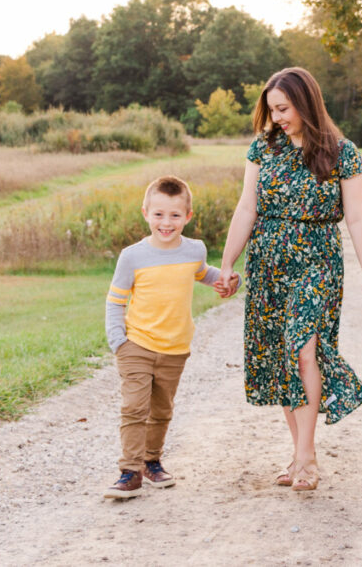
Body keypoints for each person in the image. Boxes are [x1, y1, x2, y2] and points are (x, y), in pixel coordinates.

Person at [215, 66, 362, 493]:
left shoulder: (342, 152)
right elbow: (246, 209)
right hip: (268, 263)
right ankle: (299, 454)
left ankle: (306, 457)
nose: (277, 118)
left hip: (317, 261)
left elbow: (357, 216)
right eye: (272, 110)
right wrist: (227, 264)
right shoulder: (263, 148)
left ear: (306, 103)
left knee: (304, 350)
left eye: (284, 108)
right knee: (282, 358)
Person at [103, 175, 224, 499]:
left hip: (175, 348)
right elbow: (115, 300)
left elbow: (202, 273)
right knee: (134, 407)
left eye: (174, 215)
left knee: (161, 410)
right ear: (145, 213)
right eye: (158, 214)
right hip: (136, 345)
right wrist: (118, 341)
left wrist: (225, 279)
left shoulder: (194, 249)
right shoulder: (132, 256)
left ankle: (151, 462)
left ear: (188, 216)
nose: (166, 223)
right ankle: (129, 472)